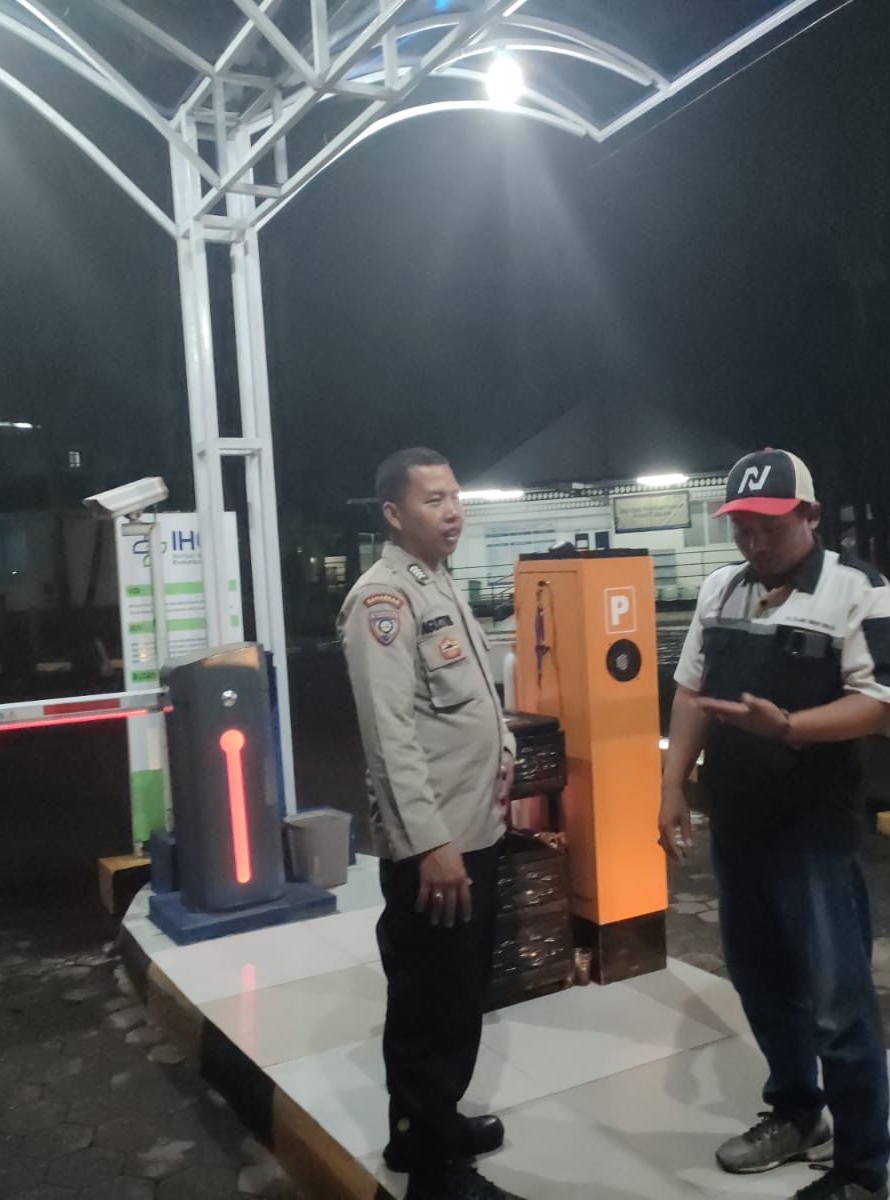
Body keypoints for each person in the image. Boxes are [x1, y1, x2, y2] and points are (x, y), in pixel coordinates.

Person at [658, 449, 890, 1200]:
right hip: (738, 825)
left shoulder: (857, 588)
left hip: (814, 834)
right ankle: (797, 1113)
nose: (753, 541)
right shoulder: (720, 589)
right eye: (742, 526)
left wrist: (790, 727)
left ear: (809, 515)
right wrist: (671, 785)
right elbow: (691, 691)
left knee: (838, 1004)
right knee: (762, 983)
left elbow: (881, 701)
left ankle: (862, 1168)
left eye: (768, 525)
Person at [337, 447, 524, 1200]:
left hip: (473, 830)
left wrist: (504, 750)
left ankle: (427, 1127)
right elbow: (389, 738)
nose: (452, 512)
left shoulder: (437, 583)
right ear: (393, 514)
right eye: (433, 500)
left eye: (455, 497)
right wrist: (431, 844)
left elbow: (474, 693)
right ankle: (434, 1173)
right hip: (438, 846)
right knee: (431, 1003)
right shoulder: (382, 601)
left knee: (459, 991)